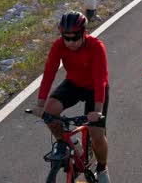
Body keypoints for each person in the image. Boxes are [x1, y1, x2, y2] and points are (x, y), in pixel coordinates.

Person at [32, 11, 111, 183]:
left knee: (96, 134)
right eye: (66, 38)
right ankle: (67, 143)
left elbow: (100, 80)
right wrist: (40, 104)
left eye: (75, 38)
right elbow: (49, 73)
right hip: (74, 84)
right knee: (50, 110)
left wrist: (96, 111)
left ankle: (102, 168)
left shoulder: (96, 46)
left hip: (94, 88)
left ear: (84, 33)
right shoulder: (59, 45)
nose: (70, 43)